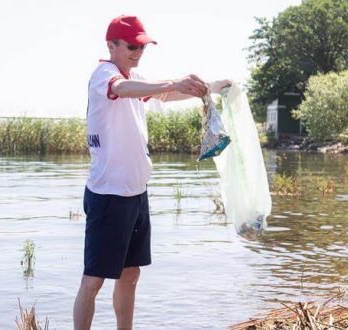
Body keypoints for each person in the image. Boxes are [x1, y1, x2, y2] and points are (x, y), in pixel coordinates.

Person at [73, 15, 230, 330]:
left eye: (142, 47)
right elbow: (125, 88)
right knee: (94, 280)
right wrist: (171, 82)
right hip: (108, 195)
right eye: (131, 46)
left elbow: (163, 94)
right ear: (111, 45)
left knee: (131, 275)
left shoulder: (136, 75)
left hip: (135, 195)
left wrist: (207, 88)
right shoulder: (105, 74)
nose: (137, 52)